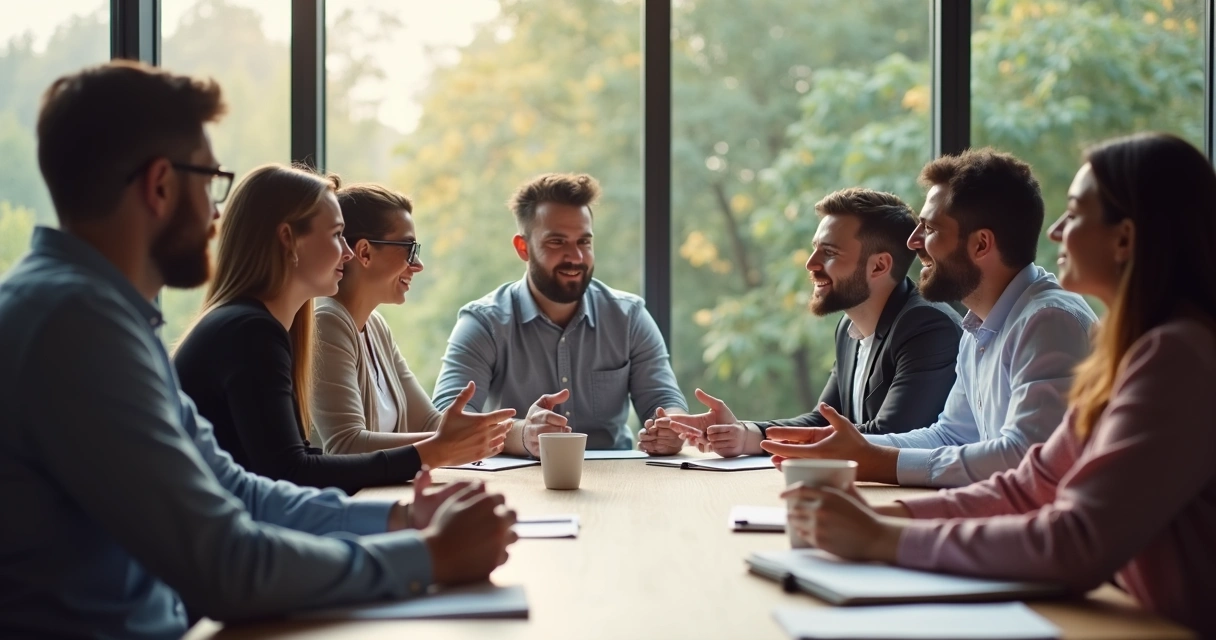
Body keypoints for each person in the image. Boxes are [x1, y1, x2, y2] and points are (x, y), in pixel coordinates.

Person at [0, 61, 516, 640]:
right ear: (160, 185)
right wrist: (428, 558)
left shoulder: (99, 315)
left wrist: (402, 518)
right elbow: (228, 565)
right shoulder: (74, 329)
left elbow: (239, 490)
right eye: (210, 181)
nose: (218, 213)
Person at [782, 132, 1216, 638]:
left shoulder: (1176, 355)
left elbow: (1076, 539)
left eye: (1074, 214)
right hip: (1133, 615)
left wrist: (885, 536)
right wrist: (891, 512)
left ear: (1124, 239)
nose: (1055, 231)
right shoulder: (1127, 350)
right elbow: (1034, 481)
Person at [762, 148, 1098, 488]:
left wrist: (874, 461)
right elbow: (951, 435)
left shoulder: (1049, 321)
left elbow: (1024, 457)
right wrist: (842, 448)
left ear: (981, 245)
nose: (912, 242)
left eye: (930, 228)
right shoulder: (979, 328)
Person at [173, 165, 516, 493]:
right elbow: (293, 473)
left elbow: (295, 465)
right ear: (289, 240)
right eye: (338, 236)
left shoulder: (258, 327)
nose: (349, 253)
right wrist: (431, 454)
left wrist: (519, 433)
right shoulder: (251, 333)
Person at [662, 188, 961, 457]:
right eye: (816, 247)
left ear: (879, 265)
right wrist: (743, 435)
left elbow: (887, 438)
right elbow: (823, 419)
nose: (811, 263)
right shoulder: (848, 328)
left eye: (829, 252)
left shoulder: (927, 326)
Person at [432, 173, 688, 455]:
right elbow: (447, 421)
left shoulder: (629, 317)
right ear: (523, 248)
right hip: (518, 484)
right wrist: (522, 434)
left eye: (584, 242)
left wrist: (672, 429)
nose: (575, 257)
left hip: (616, 480)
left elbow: (664, 400)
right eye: (557, 242)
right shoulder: (484, 323)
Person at [311, 182, 513, 462]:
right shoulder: (327, 324)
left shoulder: (376, 326)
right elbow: (345, 445)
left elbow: (431, 424)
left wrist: (528, 433)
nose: (417, 265)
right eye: (408, 248)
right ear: (365, 253)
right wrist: (447, 444)